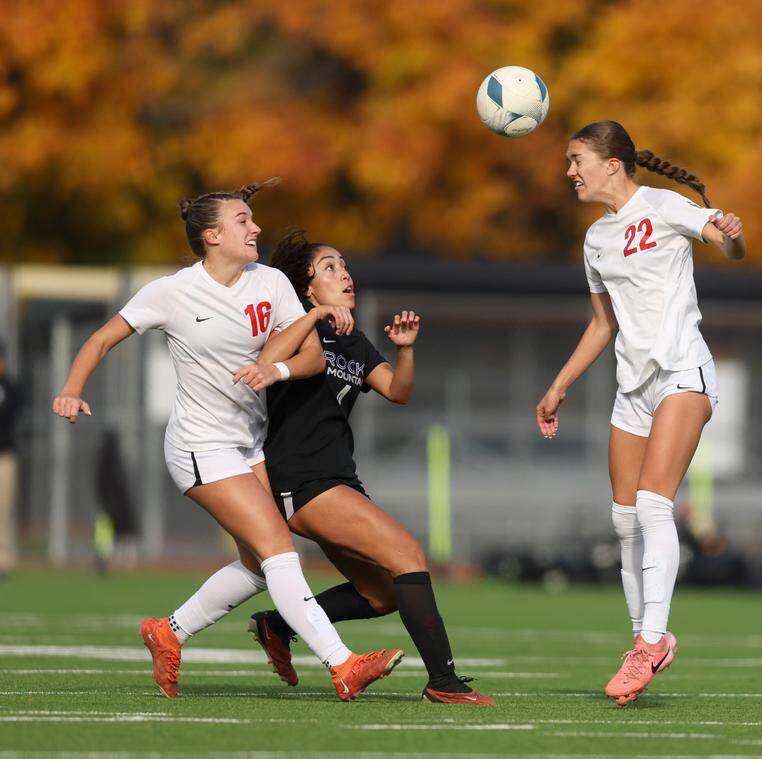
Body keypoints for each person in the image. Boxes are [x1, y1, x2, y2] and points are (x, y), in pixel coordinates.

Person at [52, 182, 398, 701]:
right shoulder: (172, 292)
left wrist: (275, 368)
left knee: (260, 566)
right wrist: (72, 390)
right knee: (280, 550)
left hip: (250, 444)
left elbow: (314, 359)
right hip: (199, 445)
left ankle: (168, 632)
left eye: (252, 219)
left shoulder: (272, 282)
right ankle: (343, 664)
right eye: (242, 221)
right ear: (212, 235)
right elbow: (103, 338)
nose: (256, 228)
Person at [155, 228, 493, 705]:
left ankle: (275, 624)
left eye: (345, 265)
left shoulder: (350, 339)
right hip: (301, 481)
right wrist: (310, 316)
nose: (345, 274)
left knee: (381, 594)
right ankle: (444, 681)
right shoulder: (296, 328)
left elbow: (398, 391)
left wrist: (406, 348)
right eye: (330, 268)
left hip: (338, 479)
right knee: (410, 556)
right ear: (306, 288)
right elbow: (267, 361)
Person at [535, 121, 744, 706]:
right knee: (624, 520)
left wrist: (733, 233)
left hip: (683, 373)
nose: (570, 171)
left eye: (577, 160)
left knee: (655, 504)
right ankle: (644, 640)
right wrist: (558, 386)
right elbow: (604, 324)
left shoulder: (663, 205)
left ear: (612, 164)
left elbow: (726, 242)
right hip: (633, 390)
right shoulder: (595, 239)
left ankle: (651, 642)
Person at [0, 342, 22, 577]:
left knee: (3, 510)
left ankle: (4, 561)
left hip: (4, 455)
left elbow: (13, 411)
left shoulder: (10, 387)